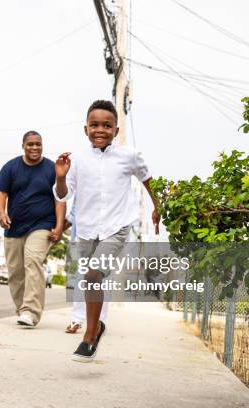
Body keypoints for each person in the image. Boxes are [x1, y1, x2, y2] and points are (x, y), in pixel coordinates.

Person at [54, 100, 160, 362]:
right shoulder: (76, 160)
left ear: (115, 129)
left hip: (117, 227)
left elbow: (147, 180)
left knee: (92, 276)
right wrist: (59, 176)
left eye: (106, 125)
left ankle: (89, 336)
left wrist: (157, 207)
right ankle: (97, 327)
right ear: (85, 129)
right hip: (88, 229)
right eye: (94, 125)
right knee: (91, 280)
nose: (100, 130)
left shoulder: (129, 156)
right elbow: (62, 194)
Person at [0, 131, 66, 327]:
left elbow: (60, 199)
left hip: (43, 224)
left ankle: (31, 311)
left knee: (33, 260)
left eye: (38, 144)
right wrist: (1, 213)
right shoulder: (11, 167)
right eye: (31, 144)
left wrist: (59, 227)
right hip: (14, 226)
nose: (35, 148)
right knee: (16, 271)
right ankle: (22, 310)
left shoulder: (51, 168)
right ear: (23, 146)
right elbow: (0, 193)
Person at [63, 205, 108, 334]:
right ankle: (77, 319)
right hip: (85, 232)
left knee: (103, 278)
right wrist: (59, 228)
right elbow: (74, 212)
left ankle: (99, 321)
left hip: (109, 233)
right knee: (82, 276)